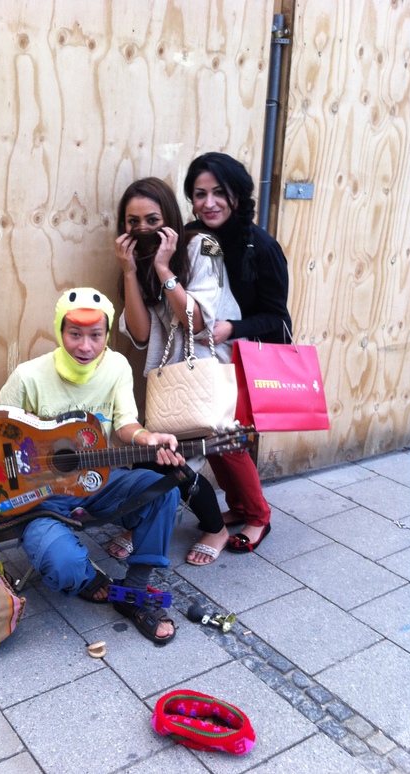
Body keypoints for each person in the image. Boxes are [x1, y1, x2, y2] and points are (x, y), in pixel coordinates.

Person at [0, 287, 184, 644]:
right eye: (75, 334)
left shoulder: (116, 367)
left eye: (96, 335)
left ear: (106, 334)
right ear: (59, 331)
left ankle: (135, 591)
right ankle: (90, 580)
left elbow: (125, 422)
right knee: (63, 565)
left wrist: (146, 438)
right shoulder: (28, 377)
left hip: (99, 480)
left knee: (162, 491)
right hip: (41, 498)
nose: (85, 346)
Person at [110, 177, 244, 566]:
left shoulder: (203, 247)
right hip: (165, 377)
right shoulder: (136, 259)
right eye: (132, 221)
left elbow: (197, 323)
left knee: (179, 460)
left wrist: (165, 268)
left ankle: (215, 528)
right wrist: (131, 272)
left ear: (170, 216)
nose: (142, 229)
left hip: (201, 369)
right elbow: (138, 333)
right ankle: (150, 522)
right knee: (156, 456)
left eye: (152, 219)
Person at [183, 151, 293, 551]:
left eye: (219, 192)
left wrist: (233, 327)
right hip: (213, 356)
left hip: (246, 358)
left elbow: (278, 319)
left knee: (225, 441)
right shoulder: (199, 238)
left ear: (237, 195)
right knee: (212, 441)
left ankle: (259, 517)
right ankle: (241, 505)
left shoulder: (261, 246)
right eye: (199, 193)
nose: (208, 203)